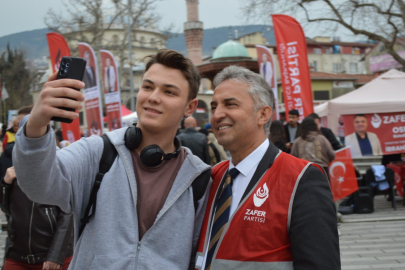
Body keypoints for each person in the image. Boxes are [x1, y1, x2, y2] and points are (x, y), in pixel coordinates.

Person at [13, 49, 212, 269]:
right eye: (147, 87)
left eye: (169, 92)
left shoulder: (199, 178)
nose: (153, 97)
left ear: (190, 107)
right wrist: (36, 125)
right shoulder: (98, 152)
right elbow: (37, 185)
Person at [195, 66, 340, 269]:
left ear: (263, 115)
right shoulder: (212, 177)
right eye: (214, 106)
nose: (217, 115)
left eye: (230, 104)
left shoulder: (302, 178)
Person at [0, 167, 74, 270]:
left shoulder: (61, 172)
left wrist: (55, 256)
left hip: (51, 259)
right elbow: (7, 209)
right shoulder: (18, 171)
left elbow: (68, 216)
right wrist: (5, 184)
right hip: (16, 256)